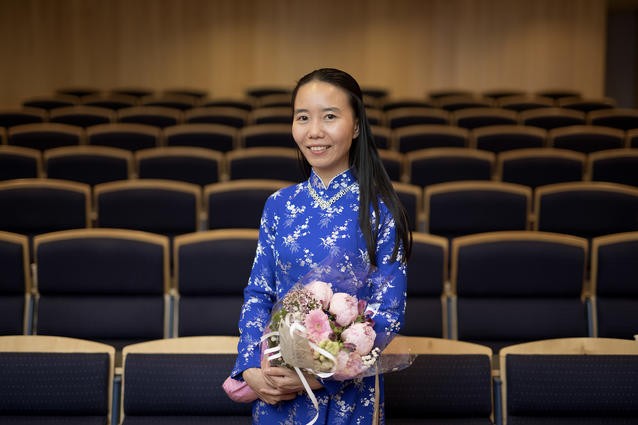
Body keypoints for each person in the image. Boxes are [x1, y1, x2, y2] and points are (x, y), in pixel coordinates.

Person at [230, 68, 412, 424]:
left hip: (350, 393)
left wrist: (321, 375)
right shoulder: (278, 205)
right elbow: (258, 293)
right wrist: (249, 366)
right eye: (303, 118)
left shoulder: (380, 209)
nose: (314, 131)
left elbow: (388, 310)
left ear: (357, 125)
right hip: (275, 387)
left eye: (329, 116)